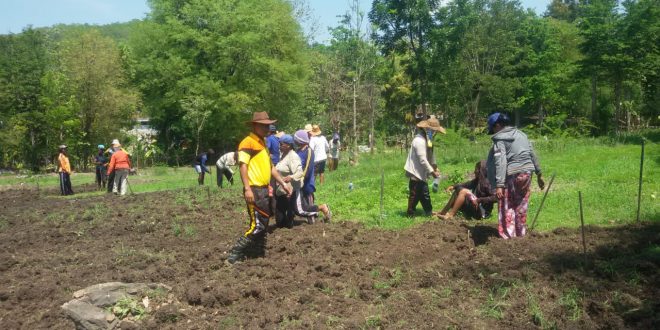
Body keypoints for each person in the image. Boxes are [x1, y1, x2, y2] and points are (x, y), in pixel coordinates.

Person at [226, 111, 292, 264]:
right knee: (258, 225)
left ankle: (257, 255)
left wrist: (282, 183)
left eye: (268, 125)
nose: (267, 128)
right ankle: (234, 255)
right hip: (254, 189)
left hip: (263, 189)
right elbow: (243, 165)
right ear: (255, 125)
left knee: (264, 222)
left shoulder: (263, 142)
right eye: (263, 125)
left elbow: (271, 167)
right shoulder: (247, 143)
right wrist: (247, 188)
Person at [486, 112, 545, 239]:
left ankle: (508, 237)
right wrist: (539, 173)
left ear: (497, 125)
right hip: (527, 173)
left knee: (506, 205)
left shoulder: (500, 138)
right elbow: (532, 153)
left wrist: (500, 184)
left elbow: (500, 161)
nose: (493, 132)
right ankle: (520, 235)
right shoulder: (522, 135)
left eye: (493, 129)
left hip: (511, 174)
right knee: (521, 205)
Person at [274, 134, 331, 228]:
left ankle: (322, 207)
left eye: (281, 144)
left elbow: (300, 173)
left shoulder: (293, 156)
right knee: (280, 221)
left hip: (293, 188)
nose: (279, 146)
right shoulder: (283, 155)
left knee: (300, 210)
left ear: (288, 145)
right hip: (282, 189)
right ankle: (289, 219)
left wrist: (291, 177)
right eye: (279, 144)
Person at [404, 118, 444, 216]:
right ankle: (410, 213)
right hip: (415, 172)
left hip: (422, 172)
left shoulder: (428, 140)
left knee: (424, 194)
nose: (435, 133)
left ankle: (429, 212)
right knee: (414, 194)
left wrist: (435, 167)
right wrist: (432, 172)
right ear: (427, 130)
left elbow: (431, 156)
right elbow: (423, 160)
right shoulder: (419, 141)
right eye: (434, 131)